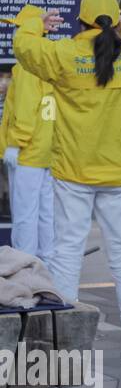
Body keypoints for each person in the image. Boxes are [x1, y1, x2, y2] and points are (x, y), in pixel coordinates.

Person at [12, 0, 121, 343]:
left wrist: (35, 22)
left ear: (81, 22)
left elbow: (23, 45)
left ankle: (63, 327)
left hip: (73, 170)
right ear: (114, 23)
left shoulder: (65, 55)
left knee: (66, 250)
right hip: (118, 172)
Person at [0, 57, 55, 262]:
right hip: (47, 150)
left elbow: (25, 110)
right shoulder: (48, 63)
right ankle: (46, 266)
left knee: (24, 214)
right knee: (46, 213)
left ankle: (24, 266)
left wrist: (15, 143)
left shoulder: (26, 67)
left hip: (27, 153)